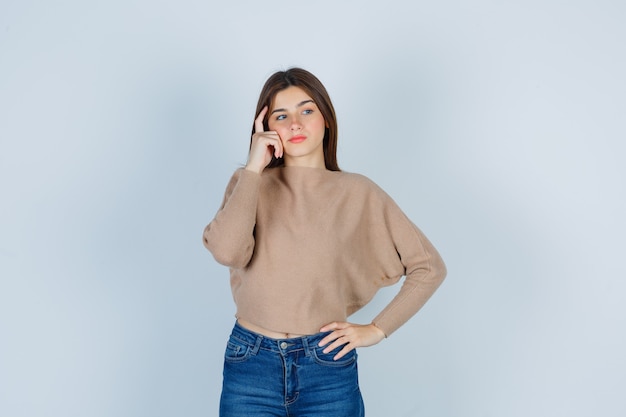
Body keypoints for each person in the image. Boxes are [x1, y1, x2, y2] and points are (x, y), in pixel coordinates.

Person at [203, 67, 446, 416]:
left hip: (326, 365)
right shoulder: (249, 183)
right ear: (266, 127)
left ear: (327, 119)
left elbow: (429, 266)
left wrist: (376, 330)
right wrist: (253, 169)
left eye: (306, 110)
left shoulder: (357, 191)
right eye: (281, 115)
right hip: (250, 362)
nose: (295, 124)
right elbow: (227, 251)